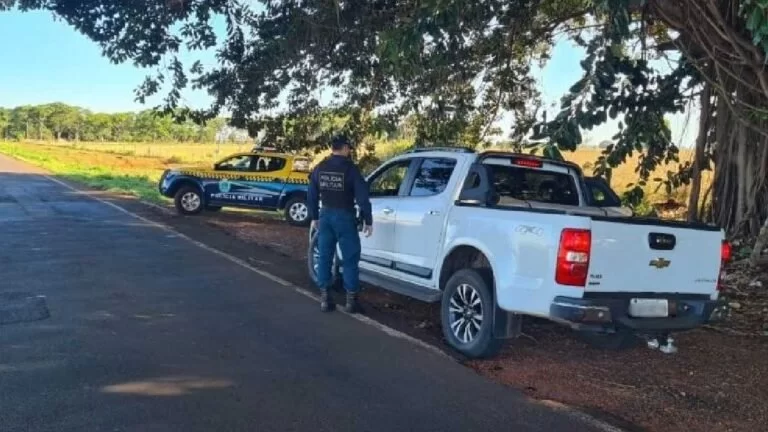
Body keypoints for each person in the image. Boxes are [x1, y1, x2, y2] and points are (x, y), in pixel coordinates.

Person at [307, 134, 372, 313]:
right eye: (348, 148)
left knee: (325, 257)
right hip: (345, 217)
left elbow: (311, 193)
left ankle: (325, 299)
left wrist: (314, 216)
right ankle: (351, 301)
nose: (349, 150)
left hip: (325, 216)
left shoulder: (321, 167)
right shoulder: (351, 170)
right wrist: (368, 220)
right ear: (343, 148)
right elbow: (362, 197)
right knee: (350, 258)